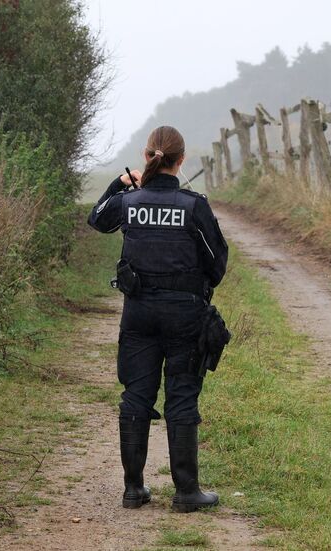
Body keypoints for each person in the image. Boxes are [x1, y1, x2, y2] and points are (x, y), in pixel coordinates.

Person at [88, 126, 228, 513]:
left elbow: (97, 219)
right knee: (182, 395)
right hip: (185, 314)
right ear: (180, 161)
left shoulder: (130, 201)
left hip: (139, 313)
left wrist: (120, 183)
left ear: (147, 155)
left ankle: (134, 490)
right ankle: (186, 493)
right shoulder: (193, 205)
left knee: (136, 394)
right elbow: (217, 264)